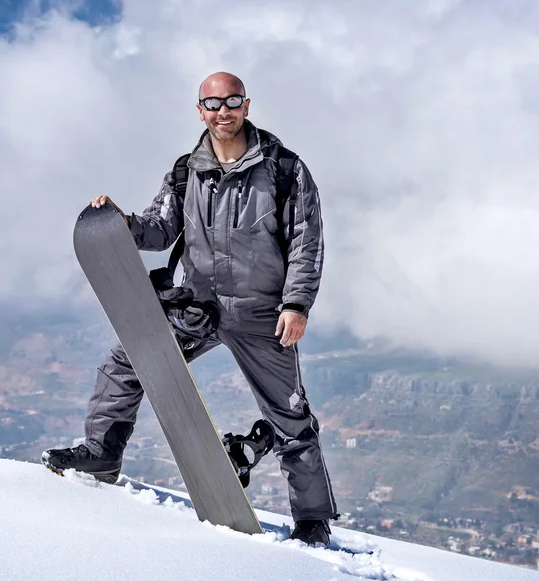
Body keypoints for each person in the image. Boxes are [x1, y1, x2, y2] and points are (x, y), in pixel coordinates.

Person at [42, 72, 338, 546]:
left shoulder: (285, 169)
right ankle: (102, 454)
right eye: (213, 103)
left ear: (246, 105)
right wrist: (123, 223)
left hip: (263, 313)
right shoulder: (186, 170)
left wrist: (297, 303)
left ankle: (312, 518)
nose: (223, 111)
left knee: (290, 415)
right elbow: (160, 229)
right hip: (199, 305)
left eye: (233, 101)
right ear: (200, 109)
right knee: (126, 361)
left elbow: (307, 242)